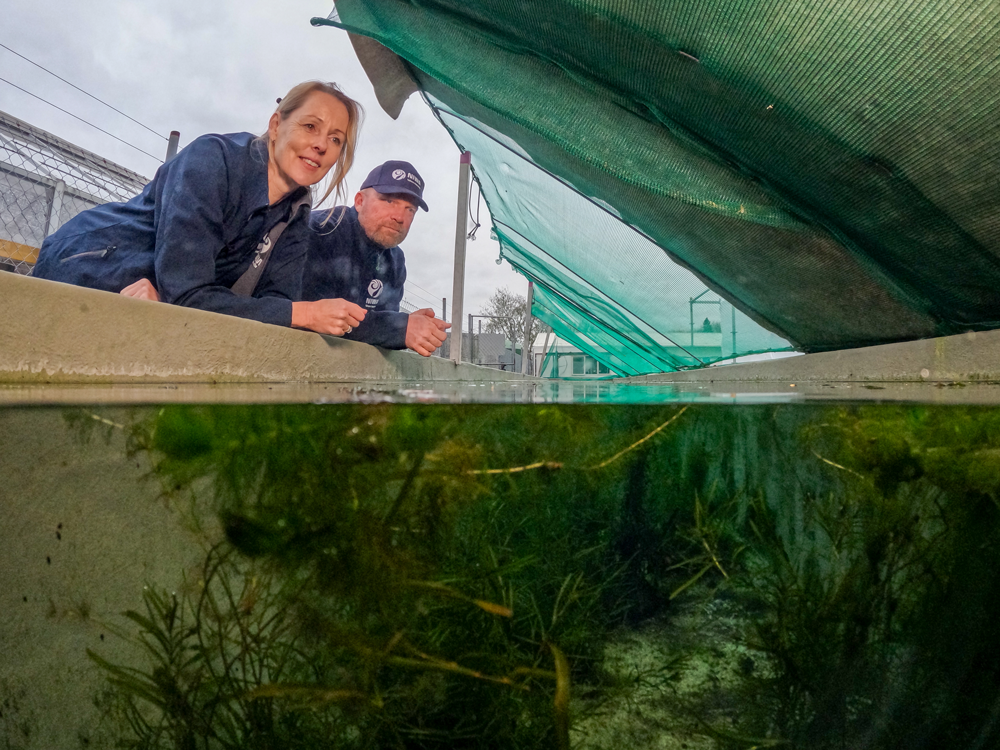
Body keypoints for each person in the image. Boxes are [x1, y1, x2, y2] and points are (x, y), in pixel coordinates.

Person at [31, 81, 368, 337]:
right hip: (87, 262)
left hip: (153, 296)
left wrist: (295, 313)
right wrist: (303, 314)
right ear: (277, 125)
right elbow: (188, 294)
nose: (321, 144)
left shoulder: (295, 214)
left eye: (336, 139)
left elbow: (274, 308)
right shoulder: (213, 160)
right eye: (311, 126)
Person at [301, 160, 450, 356]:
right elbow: (311, 319)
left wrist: (408, 326)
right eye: (390, 201)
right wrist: (398, 328)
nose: (399, 217)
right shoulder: (319, 231)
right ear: (360, 201)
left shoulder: (395, 260)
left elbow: (378, 330)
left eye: (410, 209)